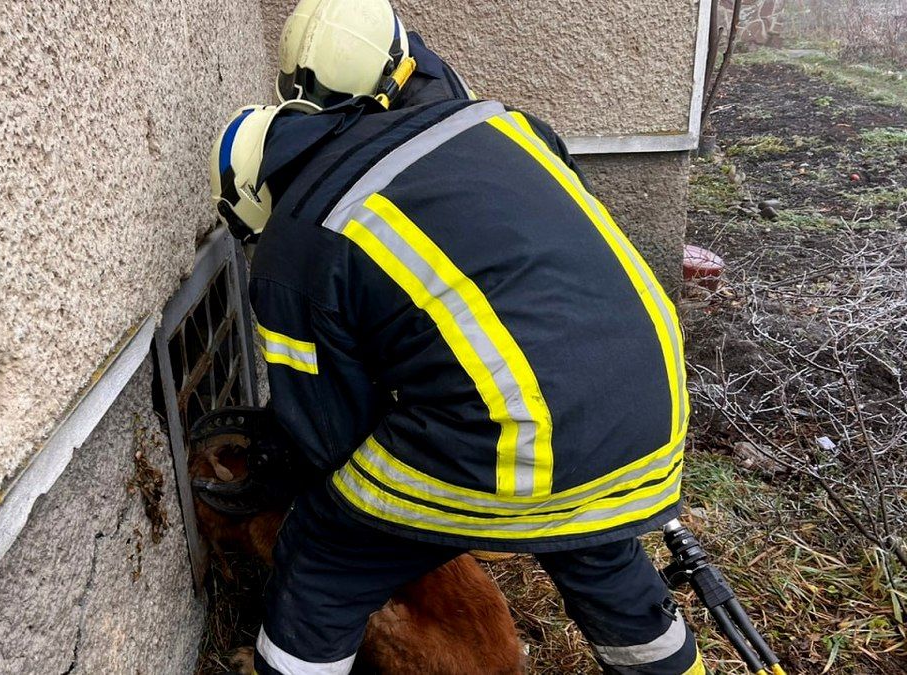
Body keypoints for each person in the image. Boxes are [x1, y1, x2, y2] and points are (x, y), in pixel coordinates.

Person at [206, 2, 704, 674]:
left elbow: (326, 433)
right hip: (653, 396)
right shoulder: (500, 125)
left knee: (326, 554)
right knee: (592, 539)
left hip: (516, 429)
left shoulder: (295, 241)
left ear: (252, 201)